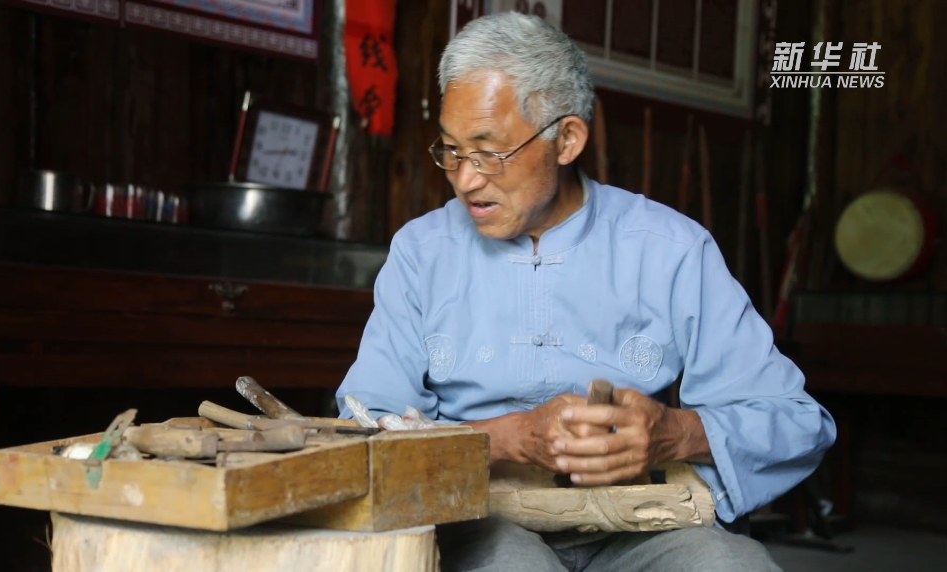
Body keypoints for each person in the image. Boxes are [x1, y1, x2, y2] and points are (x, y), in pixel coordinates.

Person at [336, 11, 835, 572]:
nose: (465, 179)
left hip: (637, 518)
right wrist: (507, 438)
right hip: (482, 516)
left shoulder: (670, 248)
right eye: (451, 151)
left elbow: (795, 420)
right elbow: (365, 426)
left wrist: (673, 434)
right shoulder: (421, 251)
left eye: (489, 152)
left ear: (567, 139)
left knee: (732, 566)